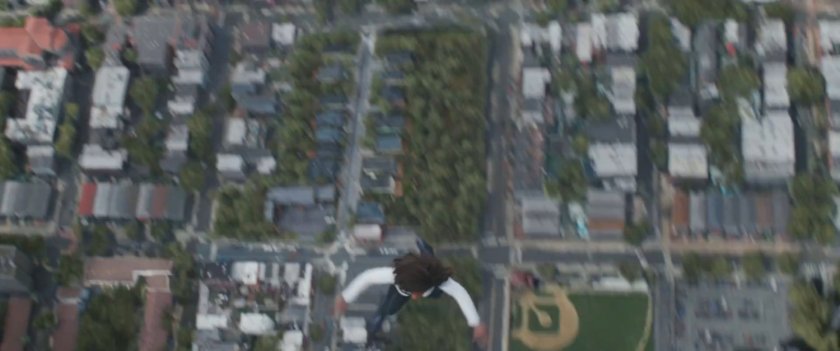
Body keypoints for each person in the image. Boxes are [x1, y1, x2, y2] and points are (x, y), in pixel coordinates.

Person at [334, 251, 488, 345]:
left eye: (417, 293)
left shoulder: (438, 281)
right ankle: (398, 296)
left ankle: (426, 253)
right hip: (400, 291)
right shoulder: (394, 275)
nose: (414, 297)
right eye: (413, 293)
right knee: (390, 309)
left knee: (437, 292)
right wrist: (346, 297)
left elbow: (459, 293)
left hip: (428, 284)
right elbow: (368, 277)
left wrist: (475, 323)